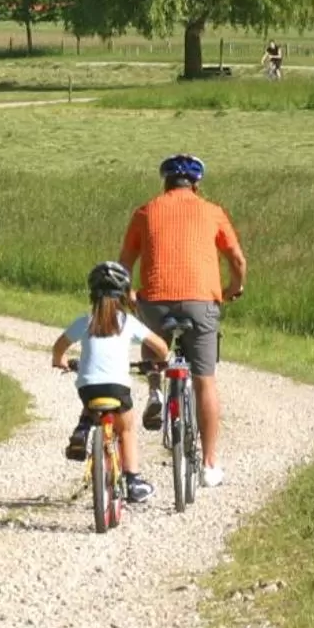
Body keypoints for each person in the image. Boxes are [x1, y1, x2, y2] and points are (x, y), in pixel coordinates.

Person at [118, 153, 246, 488]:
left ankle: (156, 390)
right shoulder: (212, 211)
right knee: (205, 380)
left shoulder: (145, 211)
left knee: (153, 342)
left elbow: (123, 265)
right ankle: (208, 464)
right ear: (196, 183)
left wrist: (131, 295)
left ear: (165, 182)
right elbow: (237, 258)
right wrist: (234, 287)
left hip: (156, 300)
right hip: (201, 300)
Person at [51, 261, 168, 506]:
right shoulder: (128, 323)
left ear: (92, 294)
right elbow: (161, 347)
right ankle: (133, 481)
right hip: (117, 387)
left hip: (88, 387)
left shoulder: (85, 322)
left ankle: (83, 429)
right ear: (124, 295)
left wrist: (60, 361)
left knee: (91, 402)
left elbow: (59, 347)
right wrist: (158, 362)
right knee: (126, 429)